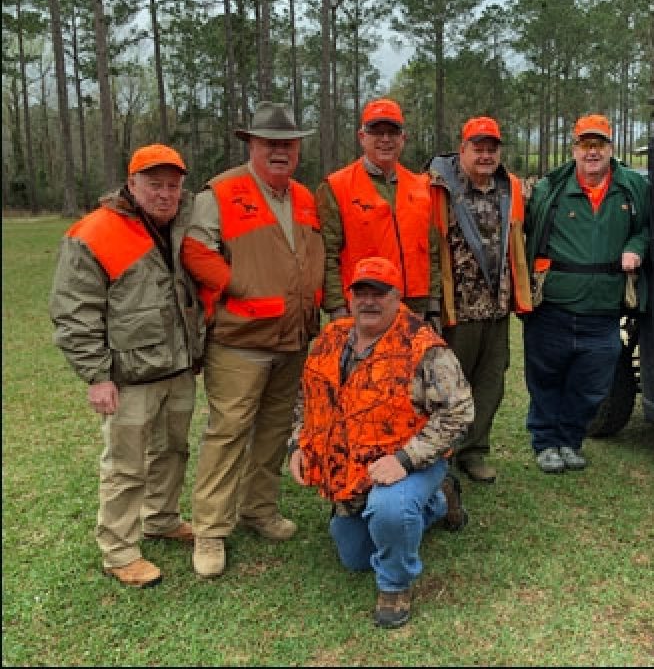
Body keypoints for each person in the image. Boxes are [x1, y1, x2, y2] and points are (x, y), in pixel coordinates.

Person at [180, 101, 325, 578]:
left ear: (297, 148)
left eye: (287, 144)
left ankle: (258, 509)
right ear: (252, 145)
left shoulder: (303, 196)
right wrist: (239, 285)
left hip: (292, 339)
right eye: (270, 144)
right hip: (241, 340)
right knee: (228, 432)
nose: (280, 151)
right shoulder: (221, 191)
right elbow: (197, 251)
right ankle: (209, 530)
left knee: (273, 430)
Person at [49, 143, 204, 588]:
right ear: (131, 184)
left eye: (173, 186)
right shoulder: (93, 233)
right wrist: (97, 376)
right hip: (129, 375)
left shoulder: (181, 225)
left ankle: (161, 518)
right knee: (125, 464)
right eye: (154, 184)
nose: (164, 194)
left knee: (172, 452)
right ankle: (118, 550)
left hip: (176, 368)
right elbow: (73, 310)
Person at [290, 256, 473, 630]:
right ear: (350, 296)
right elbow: (308, 397)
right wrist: (298, 443)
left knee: (390, 509)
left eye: (380, 293)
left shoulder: (425, 347)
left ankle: (394, 586)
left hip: (406, 460)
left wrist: (405, 460)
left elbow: (459, 413)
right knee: (355, 555)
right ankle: (438, 501)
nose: (369, 301)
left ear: (397, 297)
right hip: (353, 465)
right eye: (361, 293)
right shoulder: (331, 338)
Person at [522, 114, 649, 474]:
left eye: (599, 145)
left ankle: (570, 439)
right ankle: (546, 442)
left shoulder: (631, 189)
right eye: (585, 144)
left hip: (604, 308)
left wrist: (635, 246)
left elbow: (648, 228)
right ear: (574, 149)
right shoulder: (552, 189)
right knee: (545, 377)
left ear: (611, 148)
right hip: (553, 306)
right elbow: (521, 230)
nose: (592, 152)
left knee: (591, 383)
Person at [426, 116, 533, 483]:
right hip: (457, 308)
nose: (486, 155)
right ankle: (439, 454)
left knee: (490, 383)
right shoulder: (437, 187)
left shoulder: (512, 188)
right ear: (462, 150)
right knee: (446, 385)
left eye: (492, 148)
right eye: (478, 147)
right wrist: (431, 304)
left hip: (497, 308)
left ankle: (475, 450)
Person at [317, 97, 441, 321]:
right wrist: (337, 309)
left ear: (403, 138)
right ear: (362, 137)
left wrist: (433, 304)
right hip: (364, 307)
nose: (385, 140)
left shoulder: (421, 185)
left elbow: (431, 251)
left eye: (392, 133)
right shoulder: (337, 186)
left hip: (414, 308)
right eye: (377, 132)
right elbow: (328, 254)